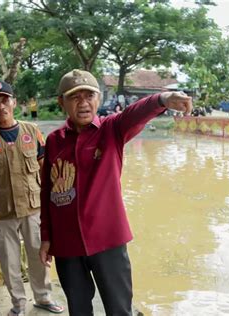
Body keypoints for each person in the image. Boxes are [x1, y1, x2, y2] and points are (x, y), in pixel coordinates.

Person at [39, 69, 192, 315]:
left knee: (119, 309)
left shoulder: (111, 130)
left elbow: (136, 114)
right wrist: (46, 236)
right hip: (66, 244)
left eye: (89, 96)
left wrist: (162, 100)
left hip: (108, 240)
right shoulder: (55, 140)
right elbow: (47, 189)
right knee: (78, 310)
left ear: (98, 99)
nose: (83, 103)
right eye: (75, 97)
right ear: (61, 102)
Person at [0, 80, 64, 316]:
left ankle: (42, 297)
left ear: (14, 102)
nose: (0, 106)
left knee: (39, 256)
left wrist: (54, 206)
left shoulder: (32, 131)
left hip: (34, 209)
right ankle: (18, 305)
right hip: (1, 212)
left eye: (4, 100)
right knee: (9, 263)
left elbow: (46, 170)